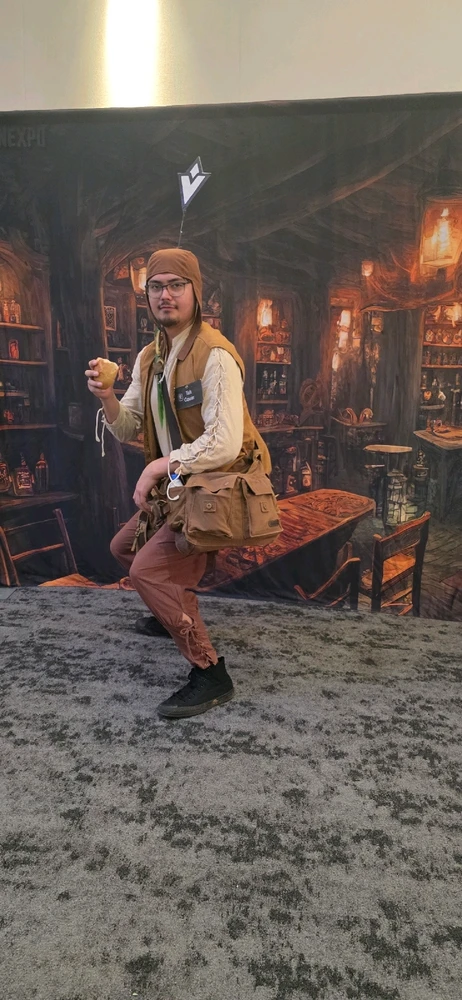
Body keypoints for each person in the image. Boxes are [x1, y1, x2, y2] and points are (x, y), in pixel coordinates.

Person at [86, 248, 271, 719]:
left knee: (148, 571)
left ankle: (210, 672)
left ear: (195, 292)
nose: (164, 295)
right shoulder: (151, 356)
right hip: (179, 487)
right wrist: (107, 396)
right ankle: (170, 614)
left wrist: (160, 466)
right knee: (123, 549)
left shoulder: (216, 355)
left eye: (176, 285)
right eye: (155, 286)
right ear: (146, 295)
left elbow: (225, 442)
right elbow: (127, 426)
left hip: (215, 491)